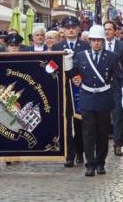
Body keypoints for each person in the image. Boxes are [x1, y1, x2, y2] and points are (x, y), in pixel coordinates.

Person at [64, 25, 123, 177]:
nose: (96, 43)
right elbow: (70, 74)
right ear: (90, 41)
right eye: (93, 40)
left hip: (104, 98)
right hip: (87, 98)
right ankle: (90, 164)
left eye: (99, 40)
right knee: (88, 133)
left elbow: (121, 77)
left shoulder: (112, 57)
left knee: (102, 134)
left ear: (103, 41)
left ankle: (100, 162)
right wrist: (67, 60)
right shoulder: (81, 56)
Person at [52, 16, 90, 167]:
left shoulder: (85, 46)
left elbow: (89, 66)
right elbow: (52, 68)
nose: (70, 30)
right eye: (67, 28)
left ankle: (80, 151)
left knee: (80, 121)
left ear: (78, 29)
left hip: (80, 88)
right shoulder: (56, 47)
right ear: (63, 30)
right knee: (66, 122)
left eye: (73, 27)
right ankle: (69, 154)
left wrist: (80, 76)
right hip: (63, 89)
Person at [104, 21, 123, 156]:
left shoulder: (122, 46)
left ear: (115, 31)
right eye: (105, 29)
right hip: (102, 86)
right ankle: (102, 142)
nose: (107, 32)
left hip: (117, 86)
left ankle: (118, 144)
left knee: (118, 115)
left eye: (110, 29)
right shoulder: (99, 45)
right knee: (102, 116)